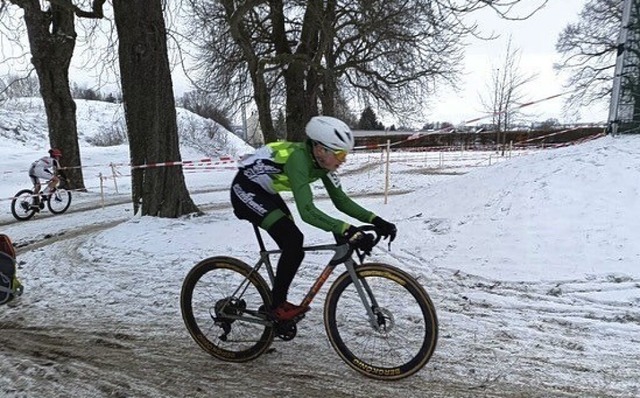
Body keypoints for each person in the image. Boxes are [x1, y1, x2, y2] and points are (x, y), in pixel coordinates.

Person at [230, 116, 397, 321]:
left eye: (345, 154)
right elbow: (307, 211)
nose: (343, 160)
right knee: (292, 240)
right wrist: (345, 229)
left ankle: (274, 303)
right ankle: (275, 307)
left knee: (293, 247)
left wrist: (377, 220)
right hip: (245, 189)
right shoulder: (298, 160)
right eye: (340, 154)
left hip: (266, 192)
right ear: (320, 149)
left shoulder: (323, 165)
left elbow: (341, 201)